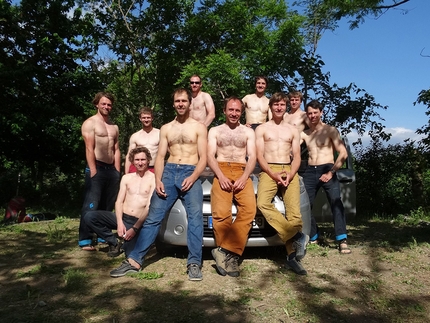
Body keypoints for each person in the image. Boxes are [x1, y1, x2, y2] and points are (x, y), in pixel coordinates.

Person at [110, 88, 208, 281]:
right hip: (169, 172)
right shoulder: (166, 128)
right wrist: (158, 180)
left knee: (195, 218)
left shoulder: (199, 127)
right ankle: (134, 261)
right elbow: (161, 156)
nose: (180, 104)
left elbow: (204, 158)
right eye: (177, 101)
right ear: (173, 104)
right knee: (154, 217)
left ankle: (194, 263)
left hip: (191, 172)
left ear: (190, 103)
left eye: (184, 101)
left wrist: (194, 176)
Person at [255, 92, 309, 275]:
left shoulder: (293, 130)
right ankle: (297, 236)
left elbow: (297, 156)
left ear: (286, 107)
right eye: (276, 104)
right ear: (270, 107)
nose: (279, 108)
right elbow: (259, 156)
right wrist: (273, 174)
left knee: (294, 213)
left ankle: (292, 257)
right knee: (262, 203)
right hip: (269, 170)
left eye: (282, 105)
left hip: (288, 169)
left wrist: (291, 173)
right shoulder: (261, 129)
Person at [207, 97, 256, 278]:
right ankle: (231, 258)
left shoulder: (248, 132)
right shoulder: (215, 130)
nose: (234, 113)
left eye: (237, 110)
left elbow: (252, 156)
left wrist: (244, 177)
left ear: (241, 112)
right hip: (222, 169)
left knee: (249, 210)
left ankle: (226, 251)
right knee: (221, 214)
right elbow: (209, 155)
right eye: (231, 110)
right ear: (224, 110)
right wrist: (220, 175)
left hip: (242, 171)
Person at [84, 147, 155, 257]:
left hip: (138, 221)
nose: (140, 163)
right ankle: (114, 242)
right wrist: (119, 223)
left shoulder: (154, 179)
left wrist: (134, 229)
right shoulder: (126, 178)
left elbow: (149, 206)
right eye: (137, 160)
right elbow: (119, 202)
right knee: (89, 216)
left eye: (143, 160)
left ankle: (128, 243)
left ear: (148, 160)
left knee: (130, 254)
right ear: (132, 161)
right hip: (123, 217)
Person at [301, 99, 351, 254]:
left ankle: (342, 240)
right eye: (310, 113)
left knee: (336, 202)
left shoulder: (330, 130)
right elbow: (290, 147)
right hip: (310, 170)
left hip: (328, 168)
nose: (313, 115)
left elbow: (343, 153)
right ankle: (314, 235)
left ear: (321, 113)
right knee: (304, 206)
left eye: (315, 112)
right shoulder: (305, 133)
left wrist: (331, 172)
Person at [79, 92, 120, 251]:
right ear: (97, 104)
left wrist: (117, 170)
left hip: (111, 169)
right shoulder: (90, 123)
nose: (106, 107)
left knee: (107, 205)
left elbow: (116, 149)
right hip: (97, 166)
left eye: (109, 104)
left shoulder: (114, 126)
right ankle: (85, 239)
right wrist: (93, 170)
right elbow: (89, 148)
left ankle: (103, 235)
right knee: (91, 205)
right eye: (103, 104)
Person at [125, 107, 160, 174]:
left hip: (153, 168)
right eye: (144, 118)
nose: (146, 120)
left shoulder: (159, 134)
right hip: (137, 169)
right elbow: (129, 156)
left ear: (152, 118)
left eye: (148, 117)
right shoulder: (135, 136)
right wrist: (126, 174)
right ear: (140, 119)